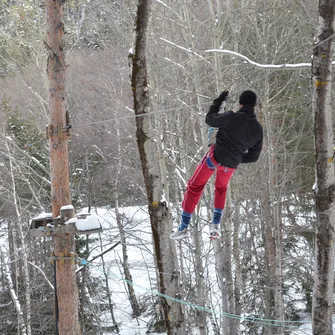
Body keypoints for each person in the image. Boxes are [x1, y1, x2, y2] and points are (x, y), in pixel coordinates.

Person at [170, 90, 263, 240]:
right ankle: (215, 225)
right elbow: (253, 157)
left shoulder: (232, 117)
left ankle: (183, 227)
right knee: (221, 188)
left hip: (214, 158)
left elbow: (210, 119)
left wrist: (218, 102)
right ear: (254, 106)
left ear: (240, 104)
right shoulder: (258, 129)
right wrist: (237, 157)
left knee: (195, 186)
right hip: (231, 165)